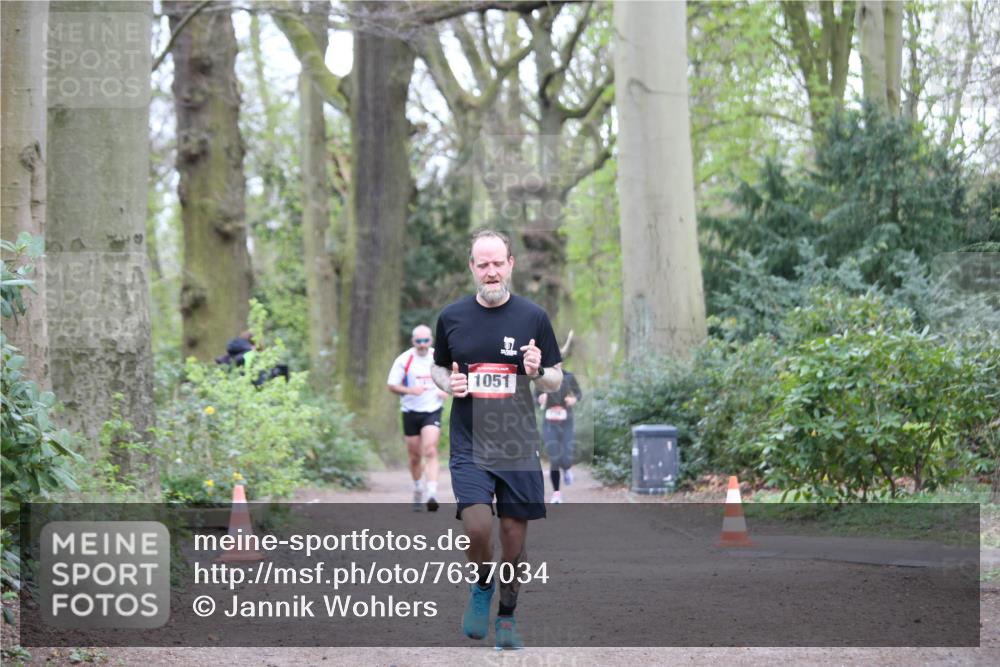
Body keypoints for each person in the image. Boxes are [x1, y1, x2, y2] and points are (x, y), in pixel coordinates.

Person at [431, 229, 563, 650]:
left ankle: (507, 614)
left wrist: (538, 371)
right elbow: (438, 367)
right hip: (469, 441)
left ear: (511, 265)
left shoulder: (533, 317)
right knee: (477, 526)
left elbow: (555, 380)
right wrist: (449, 383)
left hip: (517, 443)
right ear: (472, 267)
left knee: (512, 535)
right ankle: (482, 584)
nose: (491, 272)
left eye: (497, 263)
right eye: (482, 264)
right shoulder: (452, 317)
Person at [387, 325, 447, 512]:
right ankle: (418, 488)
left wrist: (446, 390)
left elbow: (451, 378)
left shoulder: (438, 357)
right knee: (414, 456)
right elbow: (392, 385)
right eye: (418, 341)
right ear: (413, 341)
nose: (422, 344)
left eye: (425, 340)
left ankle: (432, 493)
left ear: (431, 340)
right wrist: (410, 390)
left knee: (430, 450)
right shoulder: (404, 360)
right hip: (411, 411)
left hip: (432, 409)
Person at [536, 370, 582, 503]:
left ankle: (567, 468)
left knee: (566, 460)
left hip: (566, 422)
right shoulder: (542, 377)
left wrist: (573, 399)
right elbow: (535, 398)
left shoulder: (569, 376)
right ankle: (556, 493)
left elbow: (578, 393)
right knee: (554, 459)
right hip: (549, 423)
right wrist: (540, 399)